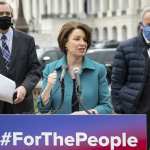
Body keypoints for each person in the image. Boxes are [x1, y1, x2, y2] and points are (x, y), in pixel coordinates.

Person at [38, 21, 112, 114]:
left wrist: (87, 113)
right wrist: (48, 87)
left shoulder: (98, 70)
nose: (83, 43)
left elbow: (107, 107)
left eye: (85, 40)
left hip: (90, 127)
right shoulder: (51, 69)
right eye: (77, 39)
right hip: (60, 127)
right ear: (65, 43)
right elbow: (43, 109)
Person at [111, 6, 150, 149]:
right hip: (135, 110)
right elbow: (116, 82)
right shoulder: (125, 47)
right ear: (141, 26)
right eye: (148, 25)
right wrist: (119, 108)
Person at [0, 2, 41, 113]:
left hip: (22, 107)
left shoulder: (27, 40)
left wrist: (24, 87)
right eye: (0, 13)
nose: (4, 16)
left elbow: (35, 70)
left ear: (12, 16)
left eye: (7, 13)